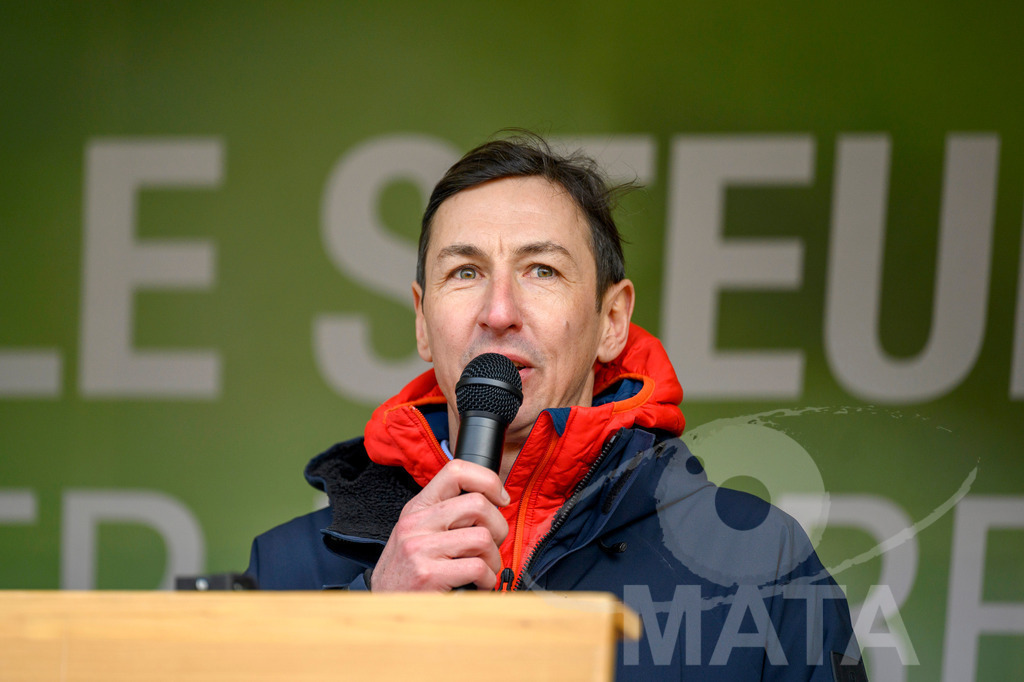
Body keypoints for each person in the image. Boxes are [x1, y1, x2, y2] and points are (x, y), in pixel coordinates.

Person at [246, 131, 864, 680]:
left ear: (612, 321)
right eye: (465, 272)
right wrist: (369, 623)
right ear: (422, 320)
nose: (498, 312)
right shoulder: (289, 565)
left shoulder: (758, 566)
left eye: (541, 270)